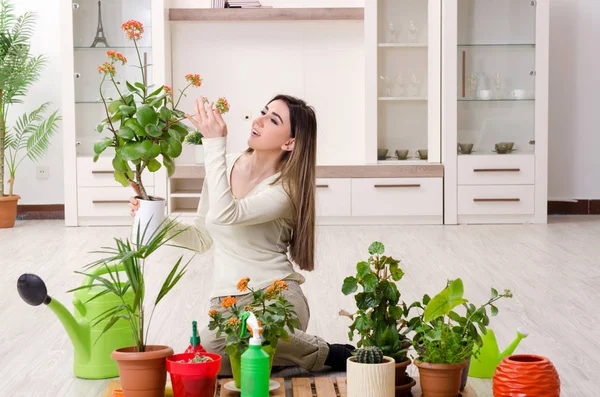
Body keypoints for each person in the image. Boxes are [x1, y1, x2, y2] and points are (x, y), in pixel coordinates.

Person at [129, 94, 354, 374]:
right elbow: (201, 237)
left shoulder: (286, 189)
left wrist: (213, 143)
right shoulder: (224, 165)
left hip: (276, 297)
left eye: (273, 120)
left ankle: (324, 353)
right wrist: (153, 215)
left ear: (289, 142)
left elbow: (228, 214)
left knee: (241, 337)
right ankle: (276, 356)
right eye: (263, 111)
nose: (258, 120)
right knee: (211, 351)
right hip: (228, 304)